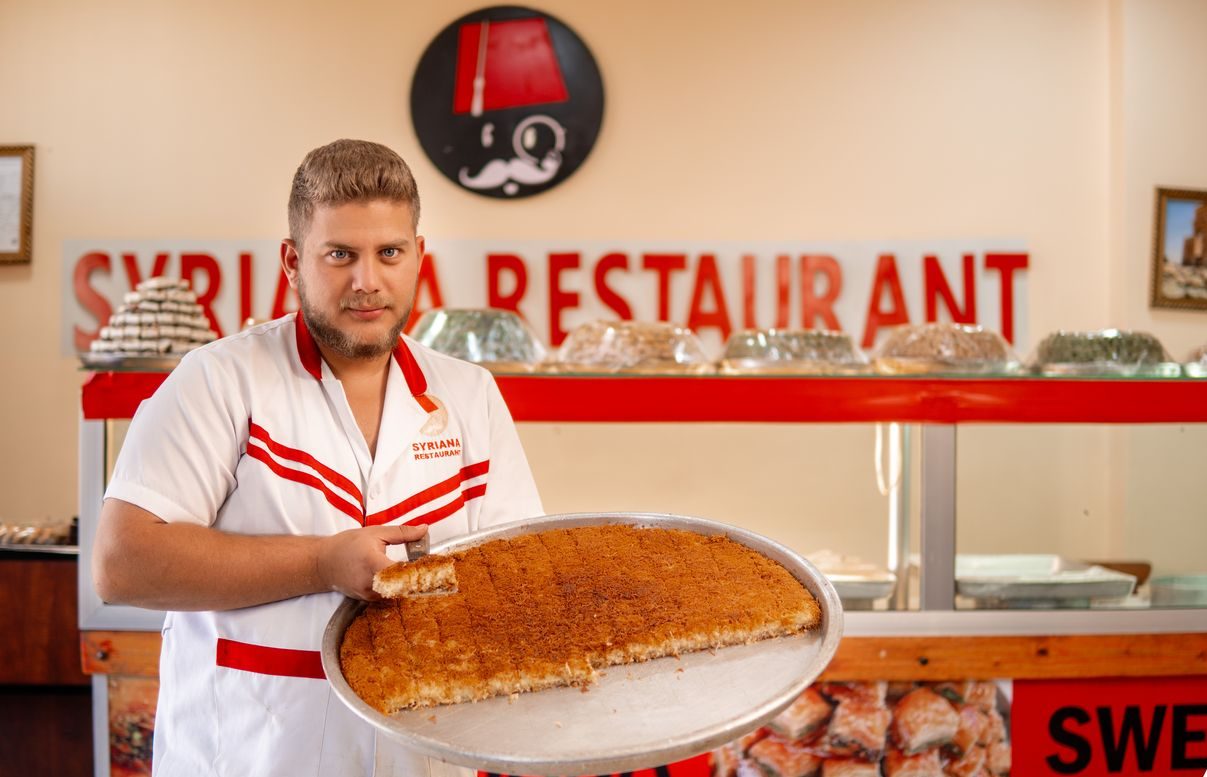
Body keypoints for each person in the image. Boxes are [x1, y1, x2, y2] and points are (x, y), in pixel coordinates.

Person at [92, 139, 544, 776]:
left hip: (422, 757)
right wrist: (321, 562)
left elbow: (512, 575)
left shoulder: (469, 396)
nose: (368, 281)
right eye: (340, 255)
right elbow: (121, 564)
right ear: (292, 259)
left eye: (389, 253)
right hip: (250, 756)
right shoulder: (219, 381)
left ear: (419, 256)